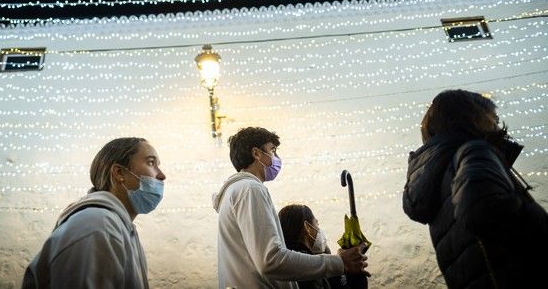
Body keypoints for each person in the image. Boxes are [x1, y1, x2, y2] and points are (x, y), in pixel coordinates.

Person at [402, 89, 548, 288]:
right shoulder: (474, 151)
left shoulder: (439, 174)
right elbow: (483, 209)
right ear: (474, 118)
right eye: (492, 116)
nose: (496, 122)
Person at [212, 127, 368, 288]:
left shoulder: (237, 190)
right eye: (272, 150)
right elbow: (270, 260)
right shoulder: (251, 189)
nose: (276, 157)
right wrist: (339, 263)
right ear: (256, 153)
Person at [22, 137, 166, 288]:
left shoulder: (121, 229)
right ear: (119, 173)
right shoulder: (98, 225)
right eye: (151, 163)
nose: (162, 175)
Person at [278, 204, 370, 289]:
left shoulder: (283, 264)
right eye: (317, 223)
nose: (319, 229)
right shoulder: (310, 270)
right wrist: (349, 267)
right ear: (307, 227)